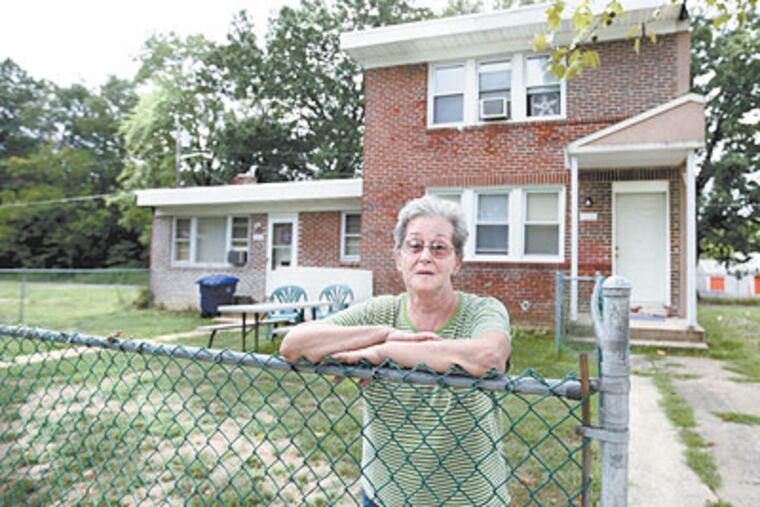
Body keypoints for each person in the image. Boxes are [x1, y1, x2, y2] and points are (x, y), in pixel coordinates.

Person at [280, 195, 512, 506]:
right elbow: (293, 345)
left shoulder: (481, 311)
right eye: (415, 246)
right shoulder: (381, 312)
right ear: (399, 258)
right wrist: (382, 334)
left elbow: (490, 357)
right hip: (385, 496)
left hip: (468, 499)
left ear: (457, 261)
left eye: (439, 247)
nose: (425, 256)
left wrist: (384, 352)